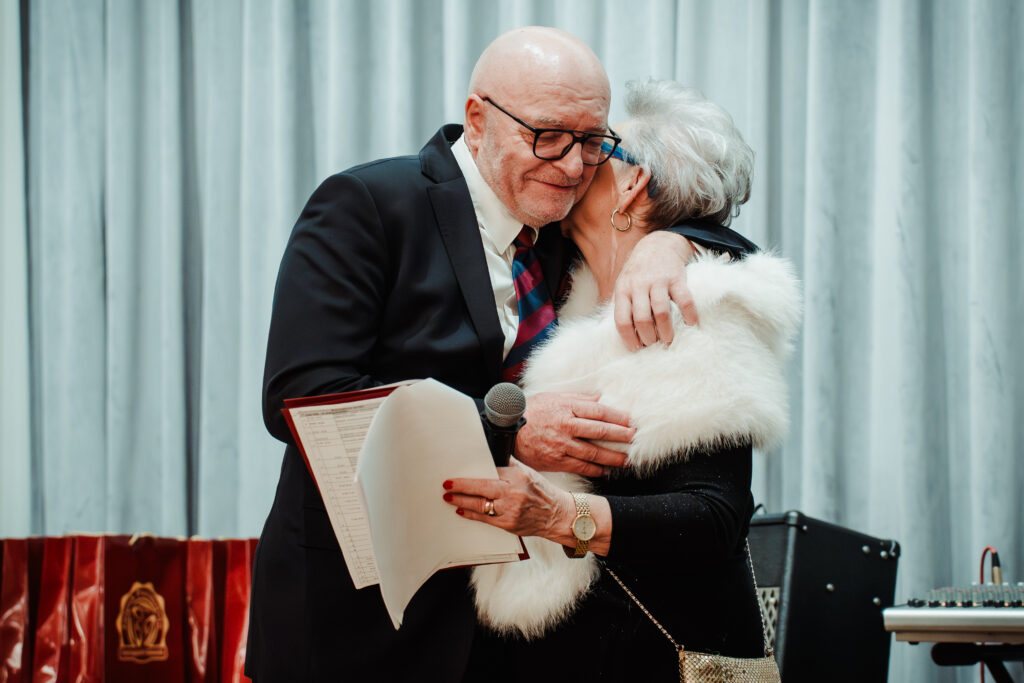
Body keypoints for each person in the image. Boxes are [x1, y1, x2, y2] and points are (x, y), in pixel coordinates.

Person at [246, 28, 757, 682]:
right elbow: (302, 399)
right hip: (359, 622)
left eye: (592, 141)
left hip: (499, 638)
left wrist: (671, 243)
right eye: (548, 136)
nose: (571, 165)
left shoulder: (562, 227)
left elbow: (711, 215)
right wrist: (506, 430)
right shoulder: (371, 205)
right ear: (478, 119)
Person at [445, 79, 800, 681]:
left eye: (599, 148)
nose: (575, 161)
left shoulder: (693, 311)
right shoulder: (563, 292)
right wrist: (671, 240)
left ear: (634, 183)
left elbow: (715, 516)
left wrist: (557, 516)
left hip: (656, 653)